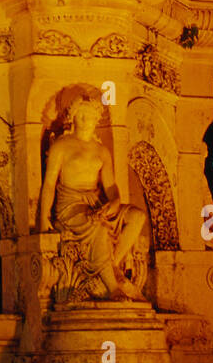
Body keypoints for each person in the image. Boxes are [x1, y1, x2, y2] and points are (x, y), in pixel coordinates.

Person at [39, 95, 147, 301]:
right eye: (82, 115)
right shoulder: (61, 146)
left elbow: (111, 187)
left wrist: (114, 204)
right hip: (70, 204)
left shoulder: (102, 151)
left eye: (90, 115)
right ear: (73, 118)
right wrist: (44, 216)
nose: (86, 120)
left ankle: (111, 265)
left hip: (96, 202)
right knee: (97, 225)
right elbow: (50, 184)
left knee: (137, 217)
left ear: (97, 119)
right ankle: (112, 286)